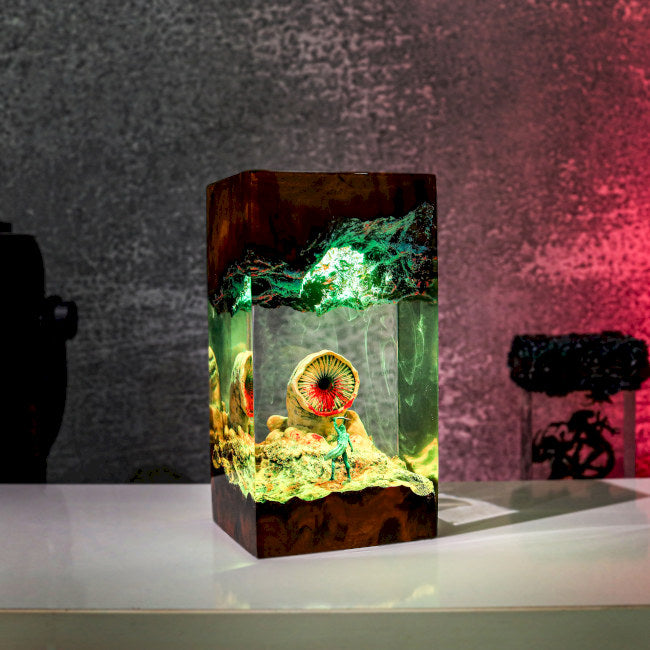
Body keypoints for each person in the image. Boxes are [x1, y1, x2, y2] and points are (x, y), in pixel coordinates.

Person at [324, 415, 353, 481]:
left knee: (333, 459)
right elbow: (349, 442)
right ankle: (349, 476)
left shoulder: (340, 433)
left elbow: (336, 427)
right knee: (346, 461)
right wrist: (352, 448)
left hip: (340, 447)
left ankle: (332, 476)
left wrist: (334, 421)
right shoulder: (346, 435)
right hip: (344, 449)